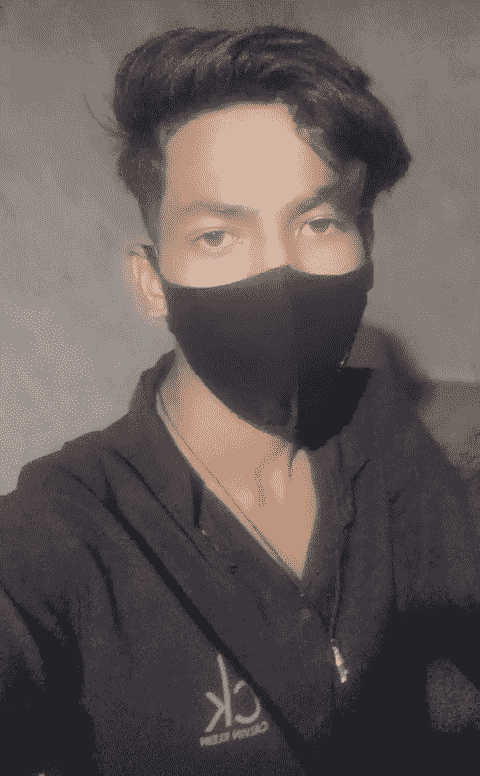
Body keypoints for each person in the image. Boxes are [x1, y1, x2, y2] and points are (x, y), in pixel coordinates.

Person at [1, 25, 479, 776]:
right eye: (218, 235)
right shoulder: (52, 538)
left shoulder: (407, 439)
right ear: (150, 281)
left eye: (318, 222)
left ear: (366, 247)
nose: (279, 269)